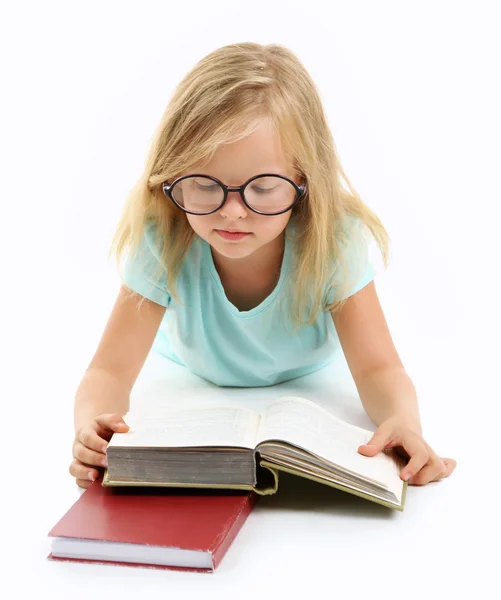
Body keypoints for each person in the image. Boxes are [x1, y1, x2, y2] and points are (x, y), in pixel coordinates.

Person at [70, 42, 456, 490]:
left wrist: (403, 420)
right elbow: (108, 371)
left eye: (264, 187)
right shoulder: (165, 239)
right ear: (171, 177)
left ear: (304, 181)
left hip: (308, 376)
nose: (233, 212)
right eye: (204, 184)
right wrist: (90, 427)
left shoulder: (333, 241)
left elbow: (378, 369)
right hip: (192, 373)